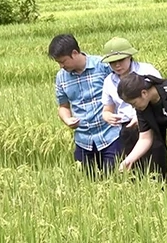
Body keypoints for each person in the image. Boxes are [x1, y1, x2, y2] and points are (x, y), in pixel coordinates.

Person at [50, 34, 122, 176]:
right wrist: (67, 119)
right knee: (88, 184)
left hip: (110, 135)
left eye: (63, 61)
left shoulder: (103, 66)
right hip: (83, 140)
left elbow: (123, 92)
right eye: (58, 63)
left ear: (74, 53)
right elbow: (63, 106)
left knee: (114, 178)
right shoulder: (61, 77)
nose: (61, 66)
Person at [100, 37, 167, 176]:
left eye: (121, 60)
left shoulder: (146, 71)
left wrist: (141, 116)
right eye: (113, 63)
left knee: (155, 164)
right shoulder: (109, 81)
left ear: (130, 56)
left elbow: (160, 96)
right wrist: (107, 116)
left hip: (151, 122)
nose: (117, 65)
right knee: (133, 167)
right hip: (127, 126)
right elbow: (107, 108)